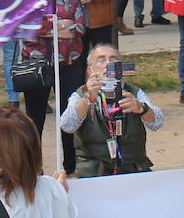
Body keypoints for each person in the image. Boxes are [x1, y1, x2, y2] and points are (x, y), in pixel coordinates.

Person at [20, 0, 86, 175]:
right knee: (34, 118)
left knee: (69, 113)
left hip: (69, 64)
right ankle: (33, 167)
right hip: (37, 65)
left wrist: (49, 28)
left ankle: (70, 164)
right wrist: (60, 26)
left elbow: (81, 27)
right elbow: (27, 27)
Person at [59, 44, 164, 176]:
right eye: (102, 60)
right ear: (90, 70)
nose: (108, 64)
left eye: (113, 61)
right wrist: (88, 98)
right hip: (94, 171)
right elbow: (67, 126)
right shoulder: (81, 94)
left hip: (133, 167)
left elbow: (157, 122)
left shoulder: (134, 92)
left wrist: (142, 108)